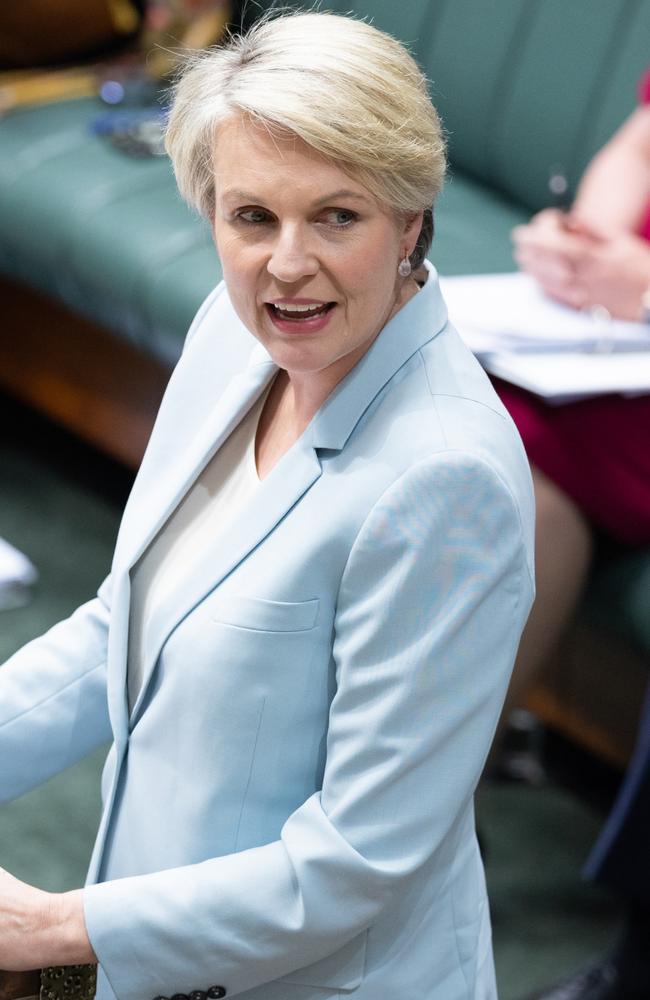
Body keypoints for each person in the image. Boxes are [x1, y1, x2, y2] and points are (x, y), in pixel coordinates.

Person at [0, 12, 535, 1000]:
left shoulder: (444, 482)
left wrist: (51, 927)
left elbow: (355, 860)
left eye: (336, 216)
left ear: (411, 219)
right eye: (252, 217)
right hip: (169, 955)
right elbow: (128, 622)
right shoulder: (234, 332)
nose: (286, 263)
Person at [491, 71, 650, 1000]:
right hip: (619, 339)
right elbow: (639, 143)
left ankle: (396, 815)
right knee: (476, 445)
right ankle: (402, 793)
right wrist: (590, 246)